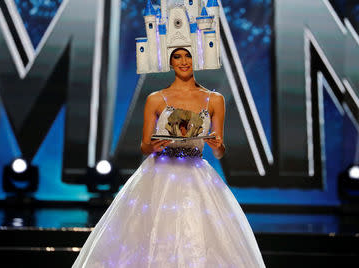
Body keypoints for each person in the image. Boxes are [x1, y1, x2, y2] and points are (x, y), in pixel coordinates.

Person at [72, 47, 266, 267]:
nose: (183, 61)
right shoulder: (156, 98)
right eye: (177, 57)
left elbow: (219, 150)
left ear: (197, 60)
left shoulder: (214, 99)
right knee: (152, 232)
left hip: (196, 173)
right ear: (171, 62)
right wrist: (154, 145)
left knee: (195, 232)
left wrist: (218, 145)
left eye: (188, 56)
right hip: (159, 172)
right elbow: (145, 145)